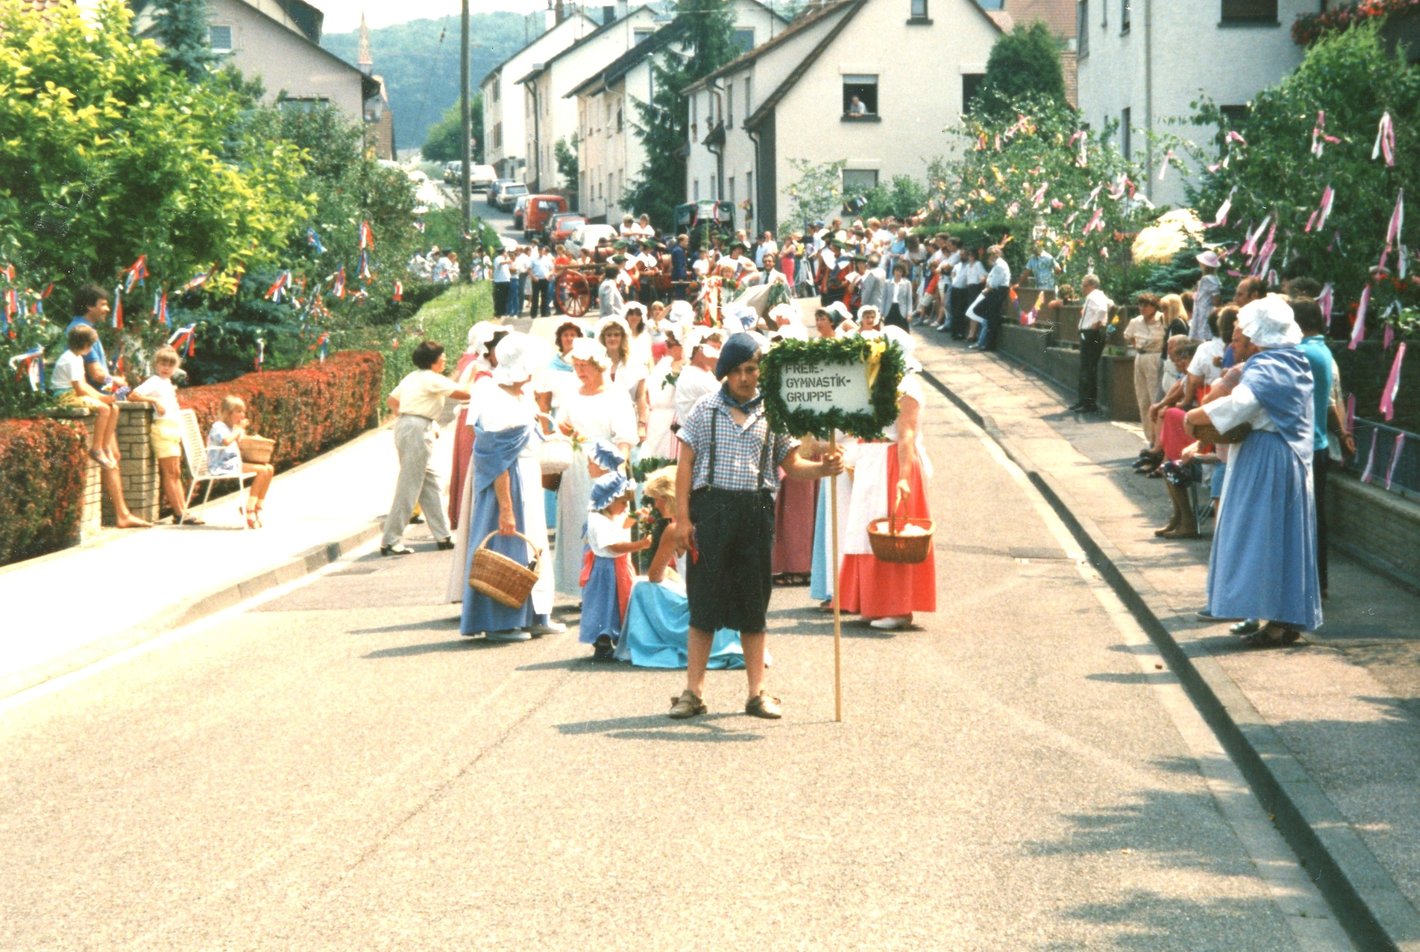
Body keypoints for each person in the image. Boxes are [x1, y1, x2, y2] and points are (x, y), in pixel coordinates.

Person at [667, 333, 845, 720]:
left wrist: (824, 468)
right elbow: (685, 466)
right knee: (704, 603)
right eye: (737, 371)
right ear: (725, 374)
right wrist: (682, 520)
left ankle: (756, 692)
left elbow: (793, 464)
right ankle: (692, 693)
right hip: (711, 511)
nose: (746, 378)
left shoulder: (774, 414)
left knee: (754, 603)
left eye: (751, 369)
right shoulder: (705, 409)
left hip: (755, 512)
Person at [1186, 295, 1321, 646]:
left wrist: (1195, 417)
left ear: (1257, 338)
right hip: (1285, 458)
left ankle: (1277, 621)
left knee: (1257, 536)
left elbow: (1241, 405)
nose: (1233, 343)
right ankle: (1280, 619)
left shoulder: (1268, 367)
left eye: (1238, 337)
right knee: (1280, 537)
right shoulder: (1291, 361)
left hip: (1267, 459)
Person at [460, 332, 561, 642]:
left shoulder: (519, 395)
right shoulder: (494, 400)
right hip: (509, 484)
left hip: (526, 478)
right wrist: (505, 508)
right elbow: (495, 459)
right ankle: (500, 622)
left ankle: (534, 615)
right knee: (507, 547)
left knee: (531, 546)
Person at [837, 326, 935, 629]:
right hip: (873, 460)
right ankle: (873, 602)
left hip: (892, 462)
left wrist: (904, 477)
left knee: (891, 529)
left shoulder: (907, 388)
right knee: (869, 528)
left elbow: (905, 436)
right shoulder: (883, 383)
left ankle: (897, 607)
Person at [616, 466, 749, 667]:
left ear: (669, 497)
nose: (655, 504)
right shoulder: (711, 519)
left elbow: (654, 576)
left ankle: (646, 644)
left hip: (699, 606)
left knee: (640, 587)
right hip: (728, 608)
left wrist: (668, 572)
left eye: (657, 498)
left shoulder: (674, 530)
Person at [552, 338, 637, 596]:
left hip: (606, 465)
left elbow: (624, 438)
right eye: (576, 366)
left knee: (607, 525)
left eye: (584, 366)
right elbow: (561, 424)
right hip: (576, 467)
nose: (579, 371)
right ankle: (582, 588)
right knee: (578, 522)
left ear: (598, 366)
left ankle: (610, 587)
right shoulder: (571, 393)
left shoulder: (616, 394)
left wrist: (616, 471)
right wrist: (567, 432)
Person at [50, 324, 150, 528]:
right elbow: (80, 388)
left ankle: (104, 445)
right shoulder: (70, 359)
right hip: (64, 395)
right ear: (86, 345)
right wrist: (103, 398)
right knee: (105, 409)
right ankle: (96, 448)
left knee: (114, 408)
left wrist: (107, 398)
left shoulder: (77, 358)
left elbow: (85, 386)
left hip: (73, 392)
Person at [380, 341, 469, 555]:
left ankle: (443, 536)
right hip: (416, 429)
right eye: (442, 356)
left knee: (430, 483)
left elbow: (392, 400)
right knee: (409, 485)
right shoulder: (432, 379)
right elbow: (463, 393)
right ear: (433, 361)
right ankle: (390, 540)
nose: (445, 359)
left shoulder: (413, 377)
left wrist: (412, 415)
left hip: (408, 426)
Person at [1293, 296, 1354, 599]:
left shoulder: (1303, 353)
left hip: (1307, 447)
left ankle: (1314, 584)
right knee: (1315, 518)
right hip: (1317, 445)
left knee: (1307, 520)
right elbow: (1329, 401)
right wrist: (1343, 433)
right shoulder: (1322, 351)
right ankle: (1320, 582)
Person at [578, 472, 654, 661]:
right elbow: (613, 546)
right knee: (605, 605)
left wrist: (637, 517)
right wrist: (640, 545)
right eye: (622, 502)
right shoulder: (598, 521)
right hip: (607, 569)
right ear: (608, 501)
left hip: (617, 566)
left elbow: (623, 524)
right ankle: (602, 641)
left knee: (619, 602)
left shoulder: (611, 515)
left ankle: (614, 637)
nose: (625, 507)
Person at [128, 346, 202, 525]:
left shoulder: (167, 383)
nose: (166, 367)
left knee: (175, 472)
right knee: (170, 473)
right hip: (162, 430)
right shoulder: (153, 380)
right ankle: (179, 513)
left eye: (170, 364)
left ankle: (183, 510)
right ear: (156, 364)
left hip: (173, 429)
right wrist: (154, 401)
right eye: (163, 363)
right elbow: (133, 395)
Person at [207, 395, 274, 529]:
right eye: (238, 411)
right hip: (221, 465)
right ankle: (249, 508)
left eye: (243, 411)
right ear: (228, 413)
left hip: (232, 462)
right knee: (262, 471)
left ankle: (257, 505)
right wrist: (238, 430)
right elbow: (226, 441)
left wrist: (242, 431)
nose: (242, 415)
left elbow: (239, 441)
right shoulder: (218, 426)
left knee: (269, 468)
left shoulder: (232, 427)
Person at [1123, 293, 1166, 447]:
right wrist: (1138, 348)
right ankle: (1150, 438)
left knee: (1155, 397)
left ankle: (1158, 439)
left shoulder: (1162, 319)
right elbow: (1129, 336)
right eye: (1140, 305)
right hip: (1141, 357)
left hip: (1155, 357)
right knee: (1143, 399)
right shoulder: (1136, 322)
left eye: (1146, 305)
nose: (1142, 308)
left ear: (1154, 306)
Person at [1069, 273, 1111, 412]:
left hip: (1091, 333)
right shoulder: (1098, 296)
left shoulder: (1094, 296)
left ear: (1092, 285)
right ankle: (1083, 401)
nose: (1082, 288)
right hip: (1088, 333)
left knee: (1087, 367)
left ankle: (1088, 403)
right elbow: (1110, 304)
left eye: (1084, 285)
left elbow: (1103, 309)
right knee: (1086, 367)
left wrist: (1096, 322)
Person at [1191, 250, 1223, 341]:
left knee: (1203, 335)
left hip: (1204, 310)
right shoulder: (1213, 278)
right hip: (1203, 309)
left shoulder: (1207, 279)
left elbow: (1216, 299)